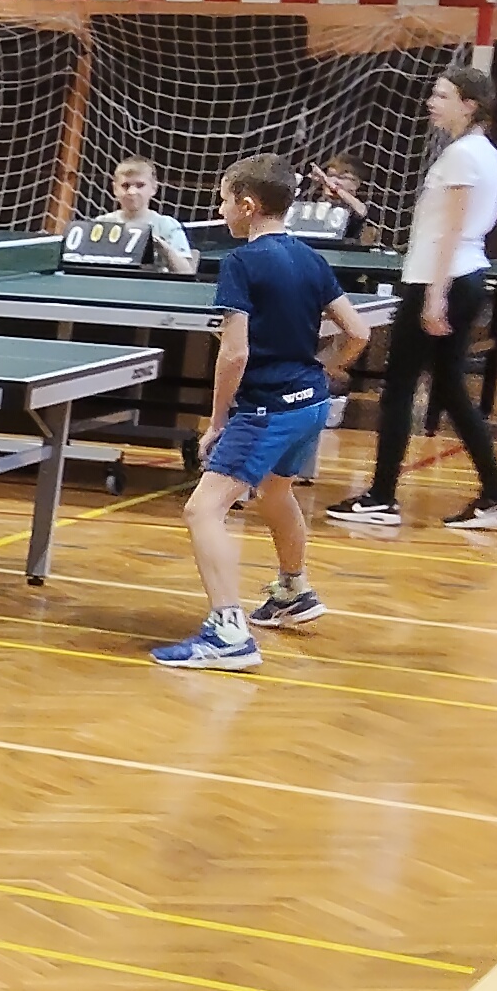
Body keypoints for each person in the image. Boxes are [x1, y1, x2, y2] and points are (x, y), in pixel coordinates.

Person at [152, 156, 370, 669]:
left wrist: (217, 421)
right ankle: (294, 590)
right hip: (310, 403)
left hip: (267, 408)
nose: (220, 210)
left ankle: (228, 633)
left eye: (224, 201)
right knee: (275, 492)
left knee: (202, 510)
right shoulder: (311, 259)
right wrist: (325, 369)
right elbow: (358, 333)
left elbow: (234, 353)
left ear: (247, 205)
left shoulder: (241, 263)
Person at [329, 67, 497, 529]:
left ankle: (381, 497)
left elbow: (452, 229)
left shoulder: (464, 155)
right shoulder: (482, 153)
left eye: (443, 95)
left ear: (469, 104)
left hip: (441, 280)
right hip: (455, 278)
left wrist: (434, 296)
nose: (432, 102)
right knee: (448, 389)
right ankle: (495, 494)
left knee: (400, 388)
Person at [91, 157, 200, 276]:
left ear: (154, 188)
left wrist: (163, 247)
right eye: (125, 186)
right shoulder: (101, 223)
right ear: (115, 189)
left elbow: (186, 272)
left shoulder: (167, 225)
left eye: (140, 185)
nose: (132, 192)